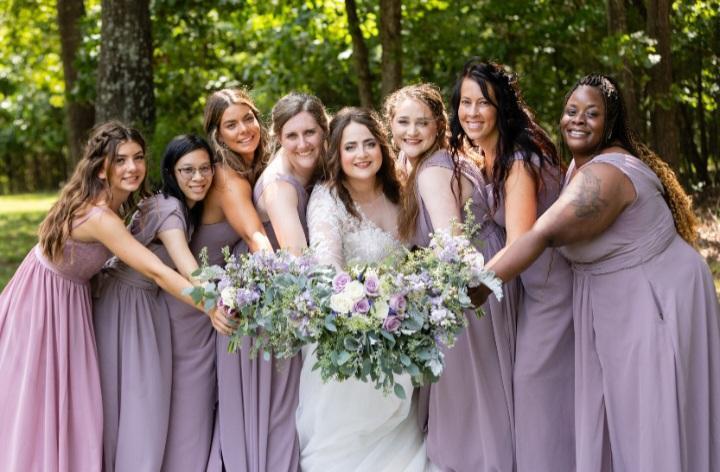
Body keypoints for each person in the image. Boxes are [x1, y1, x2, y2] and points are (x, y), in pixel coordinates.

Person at [483, 74, 720, 471]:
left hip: (655, 300)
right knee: (626, 422)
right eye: (571, 111)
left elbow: (541, 235)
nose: (578, 120)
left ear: (610, 122)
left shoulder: (606, 174)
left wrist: (470, 289)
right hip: (619, 304)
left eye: (591, 113)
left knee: (650, 420)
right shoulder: (579, 168)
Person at [0, 121, 216, 472]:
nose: (132, 167)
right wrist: (212, 306)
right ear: (102, 167)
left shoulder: (117, 203)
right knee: (37, 396)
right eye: (121, 160)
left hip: (70, 295)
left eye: (138, 157)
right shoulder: (100, 215)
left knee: (70, 397)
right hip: (44, 300)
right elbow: (157, 272)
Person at [387, 73, 521, 469]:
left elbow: (452, 246)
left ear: (438, 125)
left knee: (469, 388)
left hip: (466, 289)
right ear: (390, 125)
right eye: (403, 122)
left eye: (422, 122)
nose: (412, 131)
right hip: (483, 276)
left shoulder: (433, 171)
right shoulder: (428, 161)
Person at [456, 60, 575, 471]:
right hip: (528, 290)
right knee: (536, 392)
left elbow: (521, 242)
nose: (472, 112)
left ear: (501, 106)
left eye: (483, 103)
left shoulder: (520, 159)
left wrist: (468, 291)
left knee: (534, 387)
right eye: (465, 102)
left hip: (552, 291)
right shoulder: (489, 153)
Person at [297, 107, 430, 471]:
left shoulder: (400, 190)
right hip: (349, 336)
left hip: (400, 334)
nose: (362, 154)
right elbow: (327, 265)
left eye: (369, 144)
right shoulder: (328, 197)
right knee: (347, 442)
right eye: (350, 146)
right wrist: (362, 307)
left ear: (382, 147)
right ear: (337, 154)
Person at [93, 134, 214, 471]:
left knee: (135, 401)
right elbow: (189, 269)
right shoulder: (171, 210)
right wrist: (218, 303)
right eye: (187, 170)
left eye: (205, 168)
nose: (198, 177)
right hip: (126, 304)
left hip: (137, 302)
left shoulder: (165, 202)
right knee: (139, 403)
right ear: (171, 172)